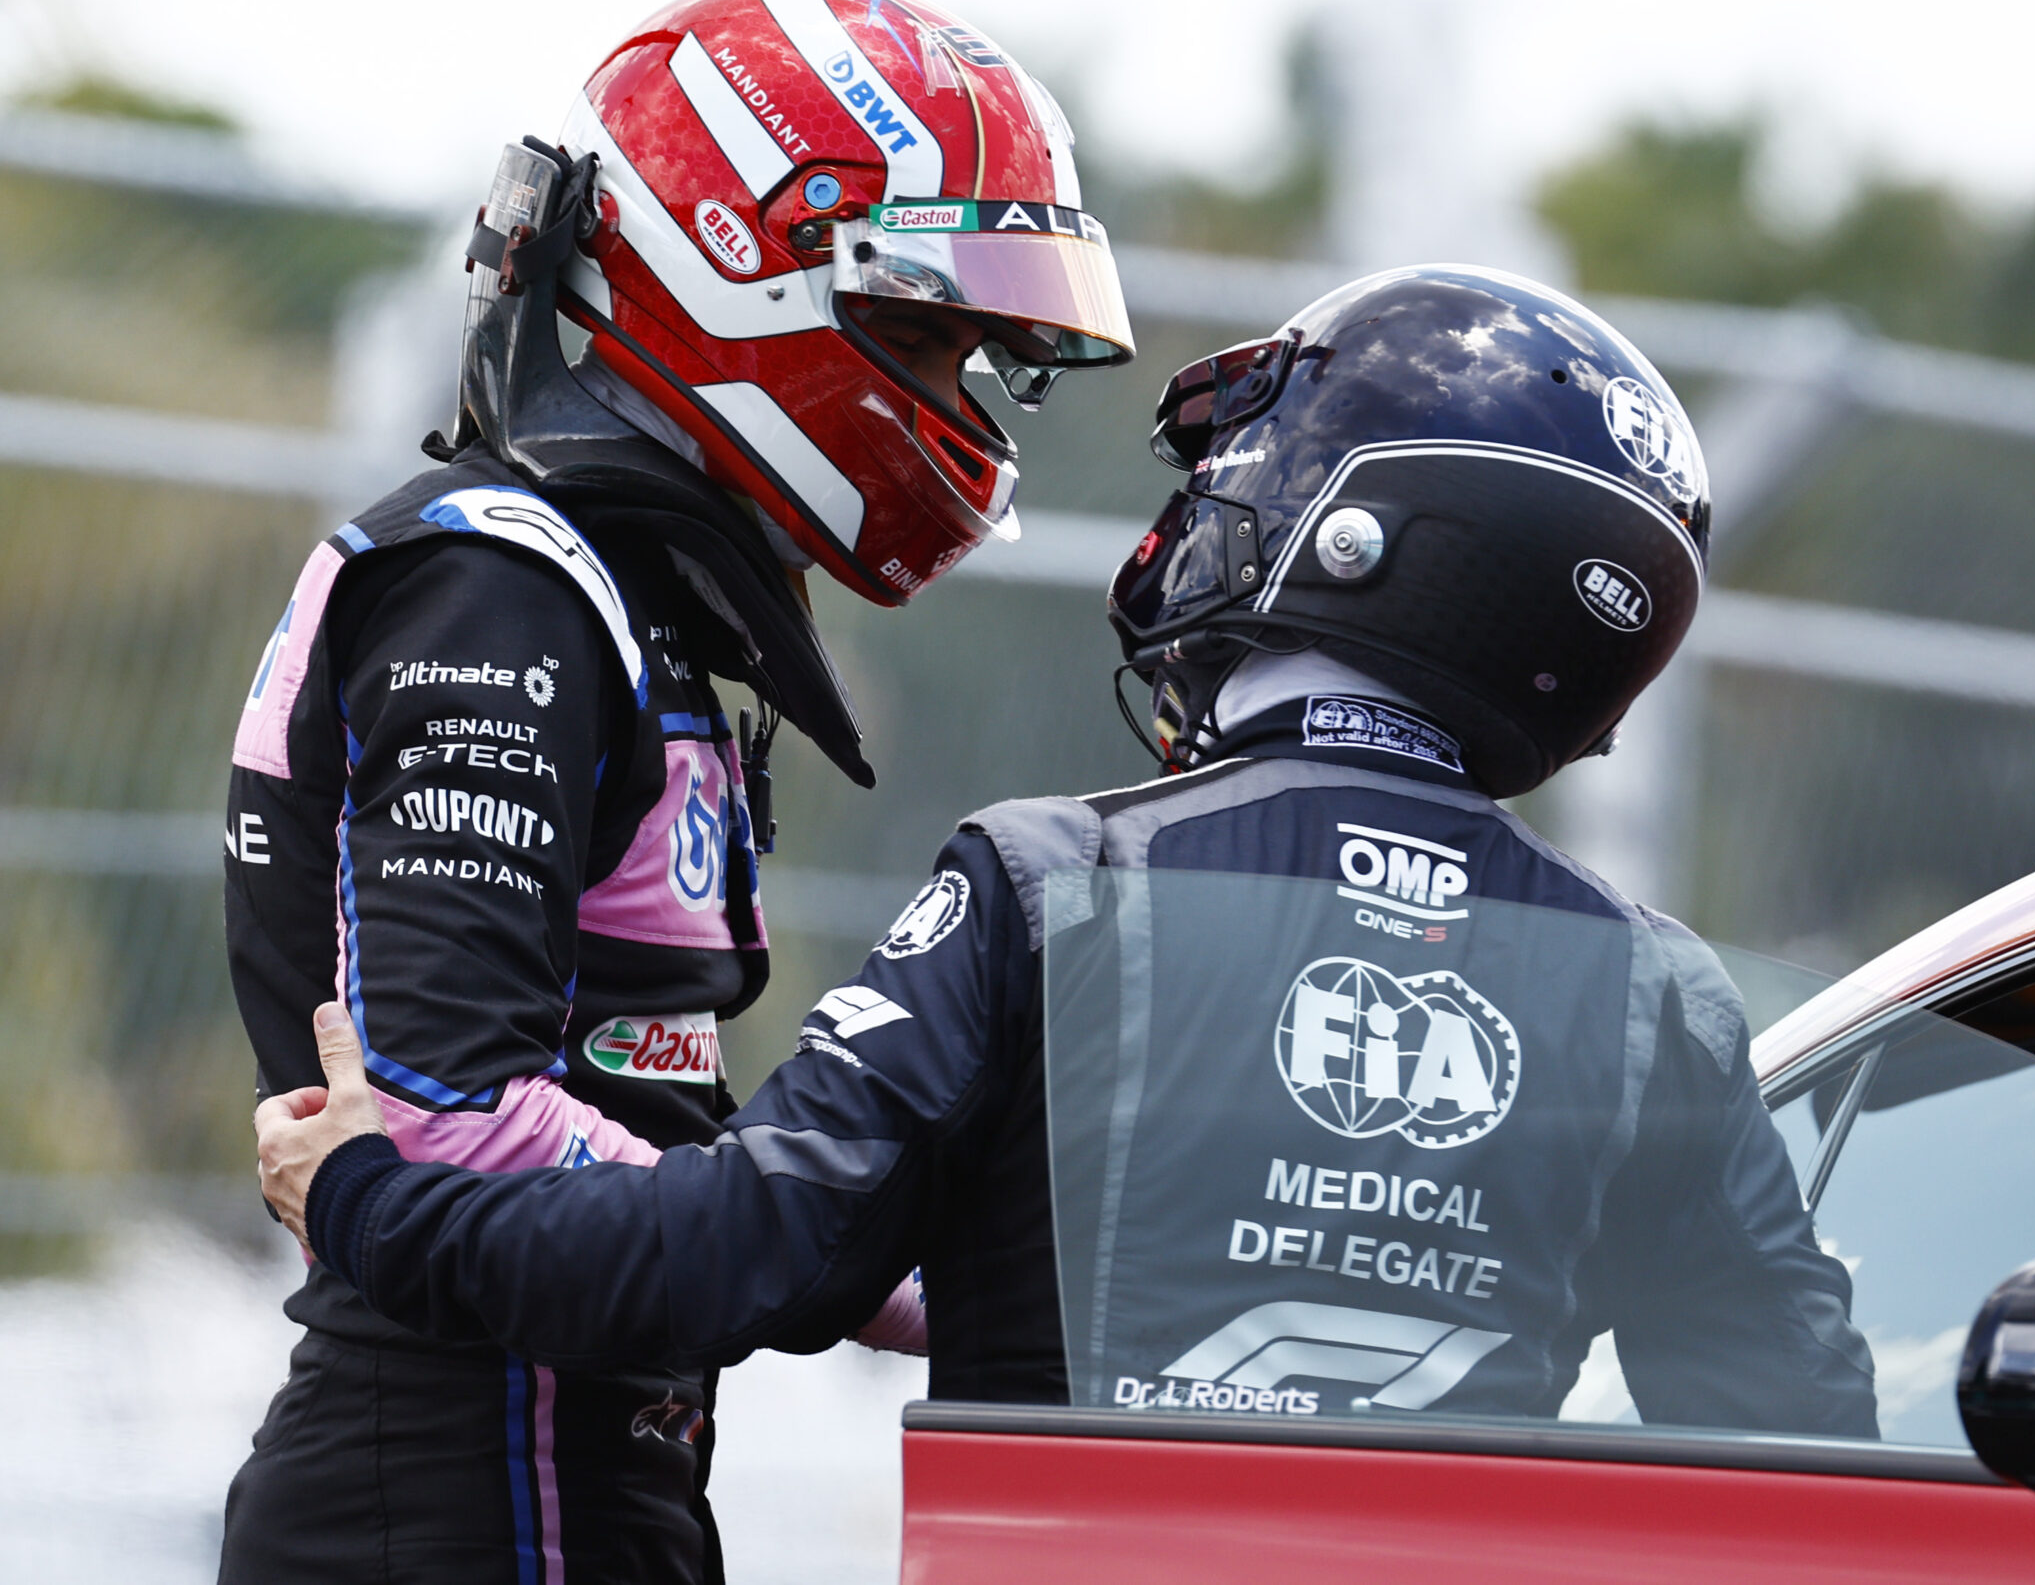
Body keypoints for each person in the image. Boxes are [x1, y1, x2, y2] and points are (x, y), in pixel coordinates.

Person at [255, 266, 1877, 1439]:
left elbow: (747, 1259)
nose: (1218, 506)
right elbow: (1796, 1437)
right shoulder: (1656, 993)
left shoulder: (1053, 886)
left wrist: (375, 1200)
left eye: (1258, 466)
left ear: (1372, 537)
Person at [219, 0, 1132, 1584]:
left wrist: (979, 1269)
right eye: (925, 326)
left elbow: (629, 1127)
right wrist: (811, 1234)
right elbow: (434, 1124)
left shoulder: (605, 597)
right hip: (463, 1476)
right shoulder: (498, 590)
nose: (961, 394)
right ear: (735, 269)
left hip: (580, 1466)